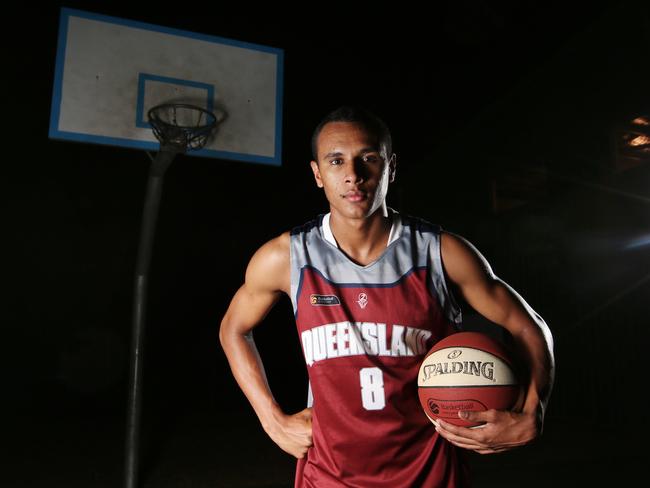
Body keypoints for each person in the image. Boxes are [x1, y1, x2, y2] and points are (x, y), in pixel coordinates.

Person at [219, 106, 555, 487]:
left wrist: (533, 410)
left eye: (369, 158)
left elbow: (529, 327)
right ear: (317, 174)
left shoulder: (440, 253)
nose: (353, 176)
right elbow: (233, 329)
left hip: (430, 474)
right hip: (329, 475)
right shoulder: (286, 257)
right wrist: (272, 420)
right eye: (336, 161)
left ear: (390, 167)